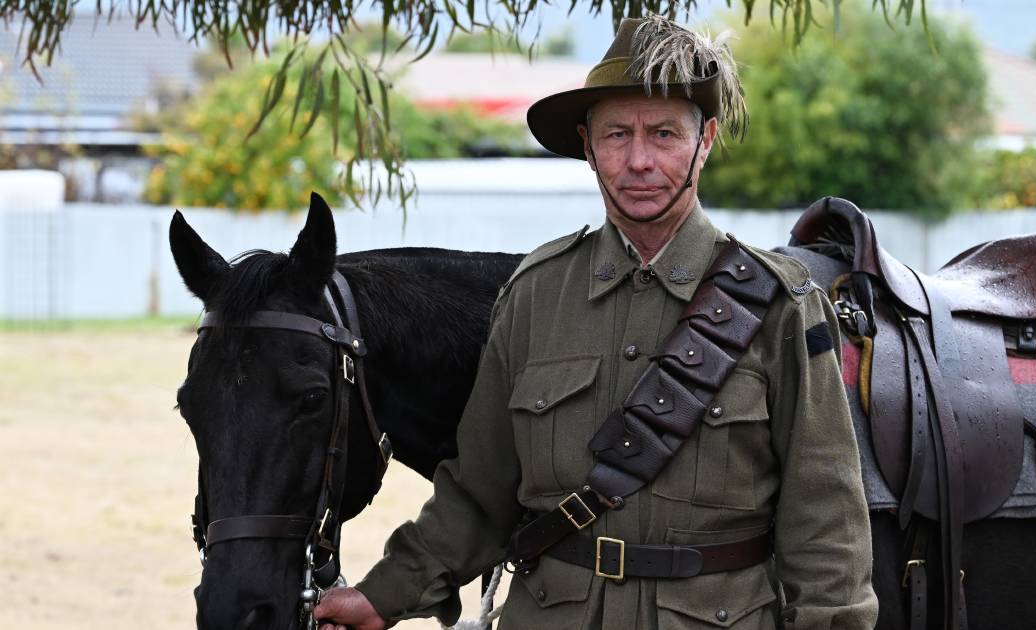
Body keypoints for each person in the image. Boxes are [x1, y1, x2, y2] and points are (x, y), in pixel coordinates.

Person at [316, 15, 877, 630]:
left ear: (706, 140)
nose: (639, 160)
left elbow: (826, 522)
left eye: (664, 134)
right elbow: (477, 493)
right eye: (617, 135)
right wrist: (383, 596)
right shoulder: (533, 296)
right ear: (588, 146)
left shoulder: (781, 308)